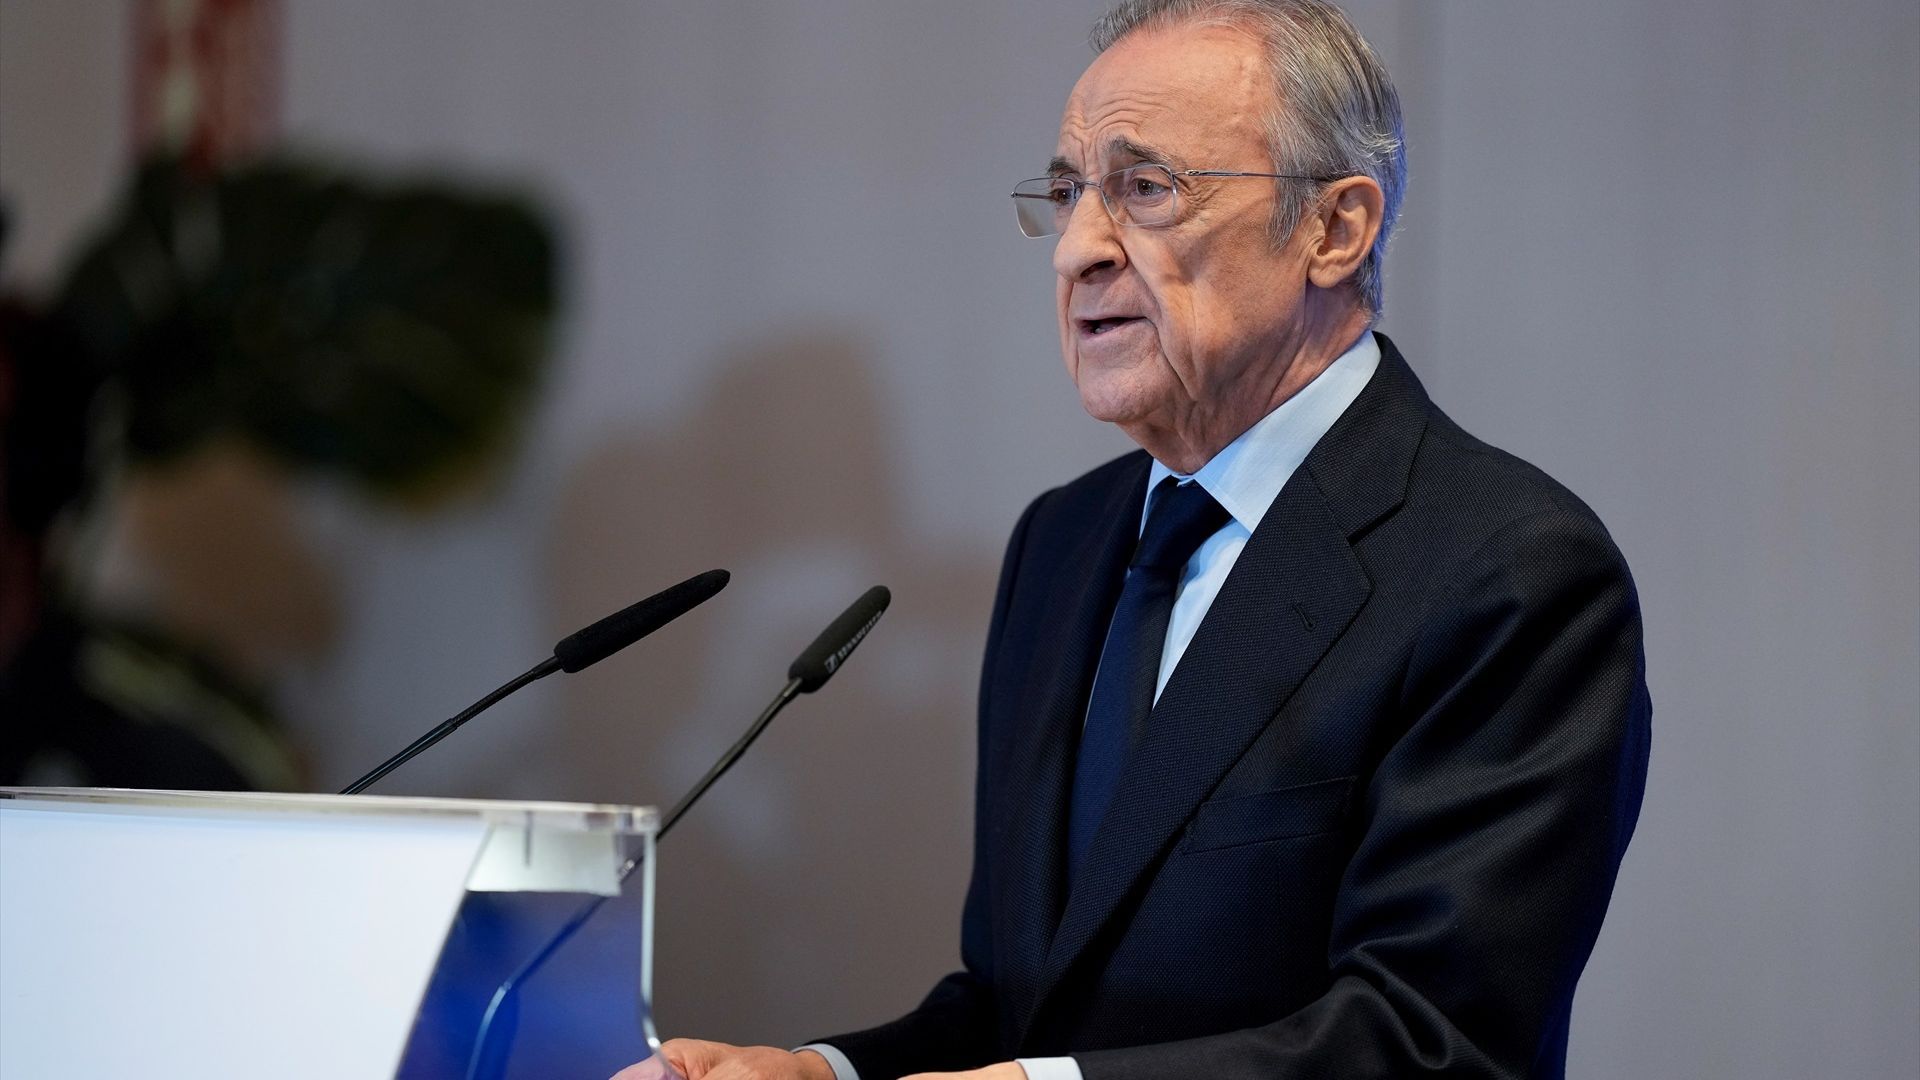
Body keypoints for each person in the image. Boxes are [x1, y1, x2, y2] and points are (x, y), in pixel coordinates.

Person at [618, 1, 1649, 1077]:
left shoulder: (1506, 572)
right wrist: (817, 1072)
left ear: (1333, 230)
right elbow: (1021, 1009)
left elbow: (1432, 1043)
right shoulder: (1063, 544)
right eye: (1069, 193)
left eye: (1146, 189)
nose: (1076, 251)